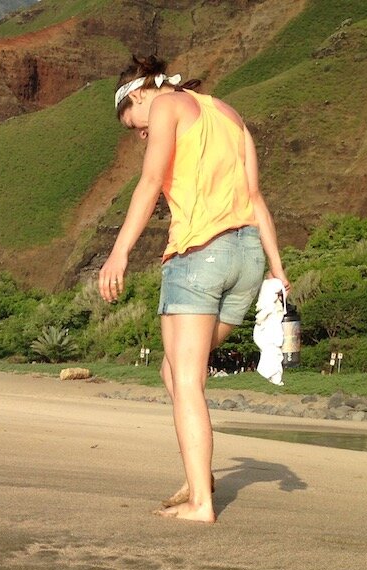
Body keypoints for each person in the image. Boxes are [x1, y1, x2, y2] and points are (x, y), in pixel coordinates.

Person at [99, 55, 287, 523]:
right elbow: (257, 198)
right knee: (177, 370)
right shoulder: (228, 114)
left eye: (133, 123)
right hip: (246, 258)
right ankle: (197, 475)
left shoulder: (167, 107)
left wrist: (118, 253)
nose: (141, 133)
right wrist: (277, 270)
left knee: (185, 380)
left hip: (199, 255)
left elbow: (148, 182)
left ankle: (202, 503)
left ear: (138, 94)